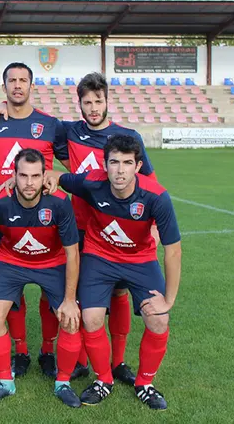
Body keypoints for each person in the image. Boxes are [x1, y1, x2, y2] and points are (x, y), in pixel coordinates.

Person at [47, 134, 181, 410]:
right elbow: (58, 176)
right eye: (114, 162)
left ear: (138, 165)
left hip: (140, 259)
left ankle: (145, 383)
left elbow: (173, 250)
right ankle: (103, 379)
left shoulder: (157, 196)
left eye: (127, 163)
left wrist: (169, 299)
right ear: (105, 164)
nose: (120, 170)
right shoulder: (92, 182)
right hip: (100, 257)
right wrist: (33, 178)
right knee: (91, 317)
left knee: (159, 319)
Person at [0, 62, 76, 378]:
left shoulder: (51, 125)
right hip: (6, 219)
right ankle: (21, 351)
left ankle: (48, 351)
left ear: (32, 85)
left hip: (45, 218)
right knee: (13, 291)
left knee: (48, 289)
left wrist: (57, 176)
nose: (17, 86)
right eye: (11, 80)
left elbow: (74, 166)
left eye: (23, 80)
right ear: (3, 86)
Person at [56, 72, 159, 386]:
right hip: (80, 227)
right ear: (80, 104)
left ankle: (118, 362)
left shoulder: (126, 137)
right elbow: (34, 128)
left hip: (117, 228)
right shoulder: (70, 132)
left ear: (106, 101)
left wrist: (151, 225)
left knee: (119, 291)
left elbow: (150, 182)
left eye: (97, 101)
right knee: (87, 297)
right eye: (86, 102)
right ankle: (84, 361)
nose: (92, 107)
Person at [0, 148, 82, 407]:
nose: (29, 183)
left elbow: (72, 252)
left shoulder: (59, 202)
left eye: (35, 176)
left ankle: (63, 382)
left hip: (52, 263)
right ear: (14, 175)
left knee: (70, 318)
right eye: (23, 176)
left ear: (45, 176)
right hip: (11, 262)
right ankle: (5, 382)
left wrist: (69, 298)